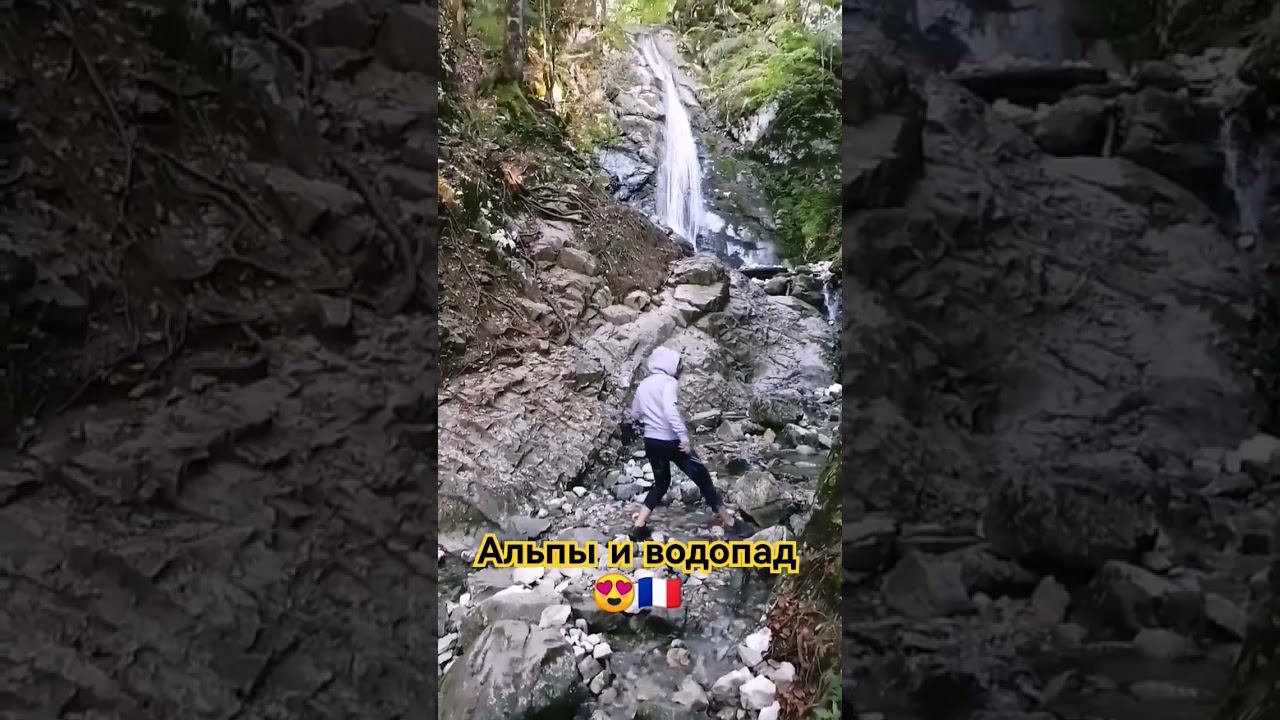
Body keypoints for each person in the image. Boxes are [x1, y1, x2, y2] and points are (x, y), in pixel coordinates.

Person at [628, 346, 735, 541]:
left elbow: (635, 413)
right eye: (677, 364)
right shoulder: (668, 382)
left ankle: (639, 525)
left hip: (651, 441)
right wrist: (684, 437)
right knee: (702, 477)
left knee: (661, 484)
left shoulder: (643, 385)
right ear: (668, 365)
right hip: (671, 441)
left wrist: (651, 422)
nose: (679, 368)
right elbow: (670, 412)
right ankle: (727, 520)